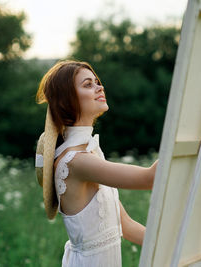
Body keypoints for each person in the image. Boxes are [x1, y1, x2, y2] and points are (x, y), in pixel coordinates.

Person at [34, 60, 157, 266]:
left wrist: (184, 250)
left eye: (97, 82)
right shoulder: (76, 162)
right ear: (67, 101)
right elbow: (150, 179)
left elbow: (125, 225)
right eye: (88, 84)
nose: (100, 87)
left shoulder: (88, 152)